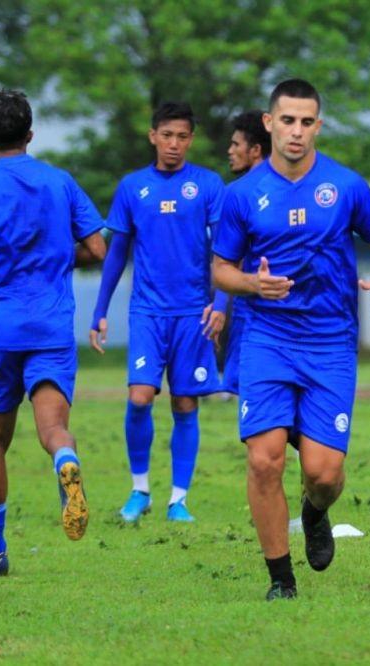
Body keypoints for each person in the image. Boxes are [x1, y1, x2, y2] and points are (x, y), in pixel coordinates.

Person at [212, 79, 370, 600]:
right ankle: (281, 580)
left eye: (306, 122)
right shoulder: (241, 195)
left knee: (324, 472)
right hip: (267, 339)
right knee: (264, 458)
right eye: (287, 120)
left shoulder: (344, 186)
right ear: (269, 123)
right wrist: (253, 283)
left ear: (318, 126)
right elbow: (221, 269)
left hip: (329, 343)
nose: (296, 131)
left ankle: (315, 511)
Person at [0, 89, 105, 576]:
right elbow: (99, 248)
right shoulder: (60, 181)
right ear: (30, 135)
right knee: (54, 428)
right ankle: (63, 459)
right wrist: (60, 258)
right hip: (52, 325)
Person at [89, 102, 226, 523]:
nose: (174, 144)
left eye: (182, 137)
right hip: (147, 311)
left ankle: (178, 499)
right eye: (167, 135)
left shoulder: (207, 185)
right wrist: (100, 310)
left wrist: (220, 305)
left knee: (185, 404)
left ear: (191, 140)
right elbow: (116, 254)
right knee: (139, 396)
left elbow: (225, 252)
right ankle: (140, 489)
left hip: (193, 313)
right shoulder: (133, 187)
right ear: (153, 136)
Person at [219, 110, 272, 396]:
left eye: (235, 144)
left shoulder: (239, 193)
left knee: (258, 403)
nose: (230, 151)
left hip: (256, 317)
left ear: (255, 150)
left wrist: (218, 307)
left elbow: (229, 261)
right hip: (253, 312)